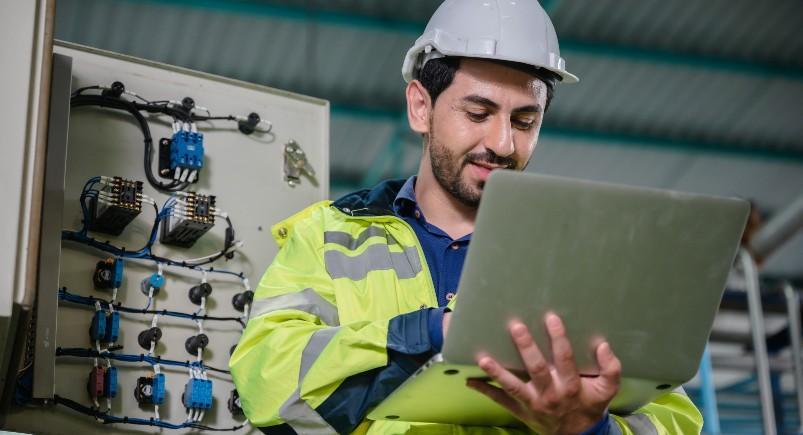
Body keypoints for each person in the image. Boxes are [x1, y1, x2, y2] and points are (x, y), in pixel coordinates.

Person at [230, 1, 703, 433]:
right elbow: (265, 379)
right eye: (478, 113)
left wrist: (587, 428)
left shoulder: (584, 260)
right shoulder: (329, 236)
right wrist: (429, 333)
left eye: (524, 122)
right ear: (421, 107)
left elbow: (672, 418)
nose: (503, 143)